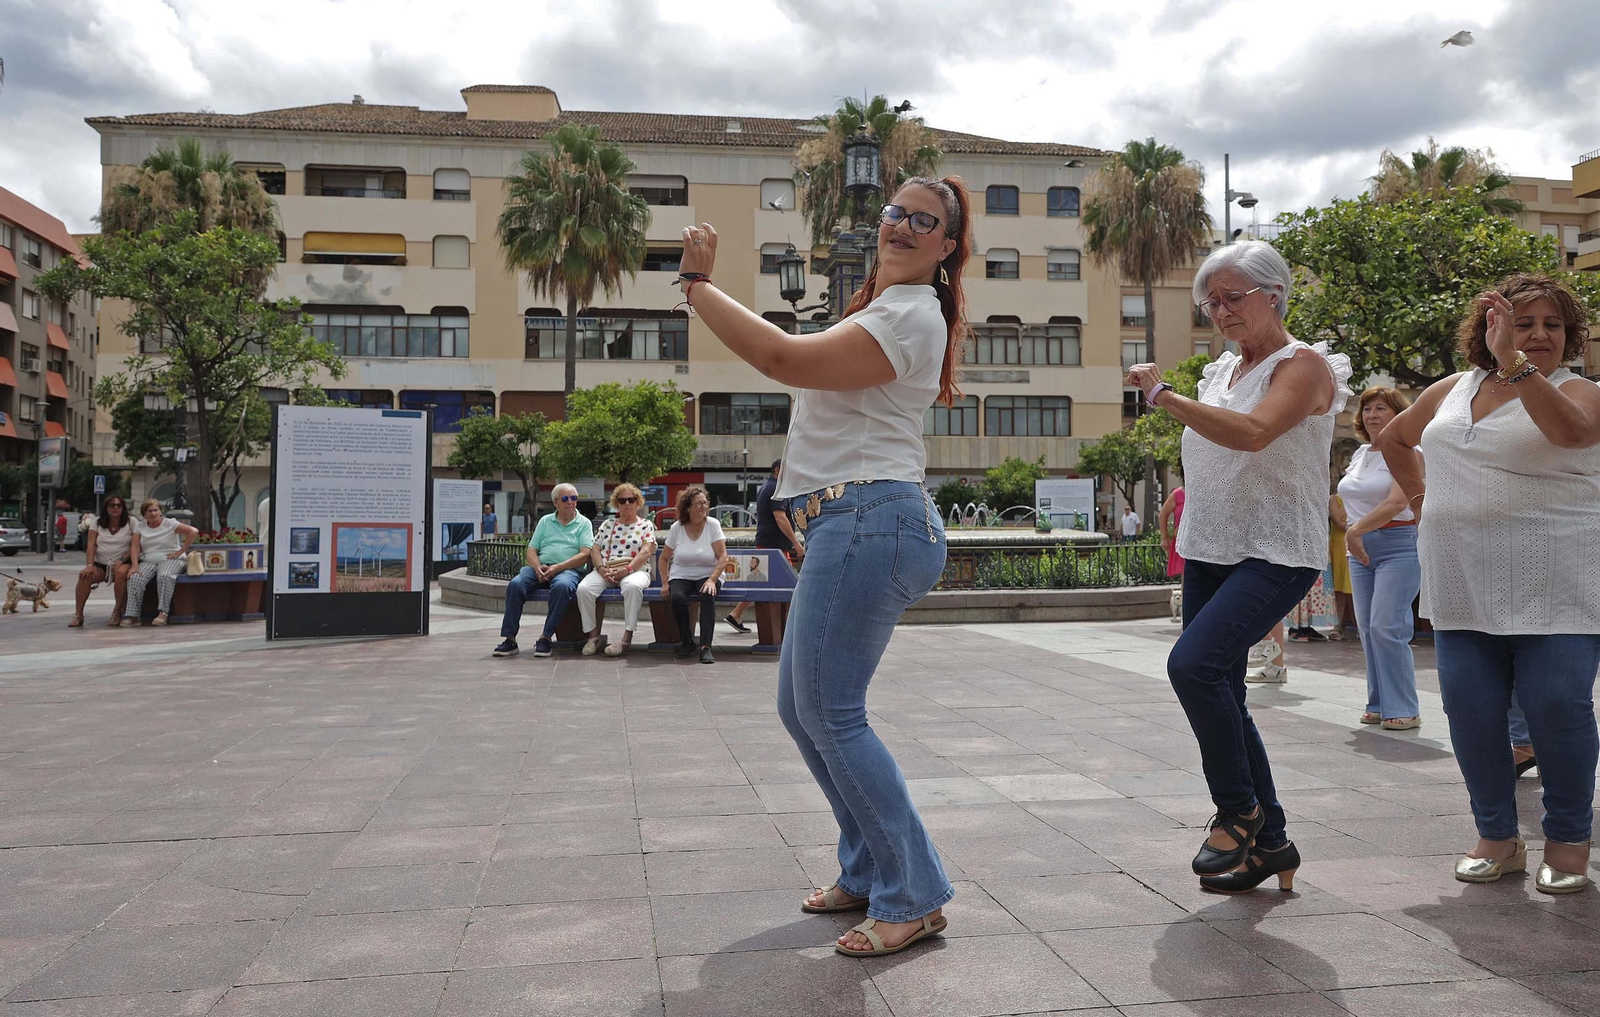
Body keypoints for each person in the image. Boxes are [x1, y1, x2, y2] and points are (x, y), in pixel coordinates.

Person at [1128, 239, 1351, 895]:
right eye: (1210, 302)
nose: (1220, 311)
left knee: (1193, 666)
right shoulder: (1220, 373)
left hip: (1277, 549)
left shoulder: (1303, 366)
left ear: (1273, 293)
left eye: (1232, 297)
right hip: (1211, 546)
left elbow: (1254, 433)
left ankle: (1237, 809)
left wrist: (1163, 396)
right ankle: (1272, 843)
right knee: (1224, 688)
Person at [1375, 273, 1600, 893]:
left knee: (1557, 707)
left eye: (1553, 325)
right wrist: (1422, 500)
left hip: (1557, 581)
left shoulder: (1581, 391)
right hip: (1460, 578)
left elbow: (1571, 434)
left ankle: (1568, 840)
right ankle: (1498, 838)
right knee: (1471, 711)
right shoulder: (1451, 389)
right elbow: (1395, 438)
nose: (1540, 335)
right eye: (1524, 322)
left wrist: (1517, 366)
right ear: (1490, 325)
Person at [1341, 387, 1421, 730]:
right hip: (1359, 548)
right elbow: (1348, 496)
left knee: (1387, 626)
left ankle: (1404, 707)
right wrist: (1353, 530)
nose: (1373, 414)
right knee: (1368, 629)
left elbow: (1397, 502)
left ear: (1398, 414)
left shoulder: (1409, 451)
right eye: (1368, 408)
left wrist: (1354, 529)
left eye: (1382, 408)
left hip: (1398, 543)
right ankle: (1378, 702)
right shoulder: (1360, 454)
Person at [493, 482, 593, 659]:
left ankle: (545, 637)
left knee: (562, 587)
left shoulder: (584, 523)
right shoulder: (545, 521)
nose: (570, 502)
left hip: (567, 570)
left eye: (573, 498)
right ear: (555, 502)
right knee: (515, 585)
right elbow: (531, 549)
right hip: (542, 567)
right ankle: (510, 639)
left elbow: (585, 555)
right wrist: (538, 567)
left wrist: (558, 567)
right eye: (565, 498)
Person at [575, 483, 656, 657]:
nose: (627, 503)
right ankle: (593, 637)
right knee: (584, 589)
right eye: (622, 500)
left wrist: (627, 570)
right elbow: (595, 549)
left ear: (638, 502)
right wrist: (601, 568)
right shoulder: (607, 524)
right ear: (616, 503)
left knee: (633, 587)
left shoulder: (646, 524)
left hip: (635, 570)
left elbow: (646, 551)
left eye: (631, 500)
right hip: (607, 570)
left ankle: (626, 638)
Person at [726, 459, 803, 633]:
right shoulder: (777, 489)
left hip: (768, 544)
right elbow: (780, 517)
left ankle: (736, 614)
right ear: (777, 469)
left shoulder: (766, 487)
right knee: (791, 584)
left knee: (759, 583)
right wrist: (796, 543)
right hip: (775, 548)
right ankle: (793, 627)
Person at [657, 486, 728, 664]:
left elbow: (723, 557)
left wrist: (712, 580)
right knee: (678, 598)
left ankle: (706, 647)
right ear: (688, 507)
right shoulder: (677, 528)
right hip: (681, 574)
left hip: (708, 573)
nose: (704, 506)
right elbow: (664, 558)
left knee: (706, 594)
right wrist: (665, 583)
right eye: (699, 503)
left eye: (706, 502)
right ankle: (687, 641)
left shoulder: (713, 525)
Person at [122, 499, 199, 626]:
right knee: (135, 578)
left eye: (155, 510)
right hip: (149, 559)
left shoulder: (170, 523)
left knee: (164, 576)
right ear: (144, 514)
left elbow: (193, 531)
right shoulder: (140, 526)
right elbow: (135, 546)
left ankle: (163, 613)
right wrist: (134, 566)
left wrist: (181, 551)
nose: (153, 513)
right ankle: (133, 615)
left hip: (169, 558)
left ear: (160, 512)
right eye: (149, 511)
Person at [70, 496, 133, 628]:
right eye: (112, 505)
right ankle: (78, 614)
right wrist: (89, 565)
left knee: (121, 573)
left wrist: (121, 560)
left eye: (118, 505)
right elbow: (91, 545)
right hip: (101, 563)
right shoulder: (96, 522)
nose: (115, 508)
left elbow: (136, 545)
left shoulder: (131, 522)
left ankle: (117, 611)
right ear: (106, 507)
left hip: (123, 561)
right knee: (84, 576)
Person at [1327, 493, 1355, 639]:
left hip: (1355, 544)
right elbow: (1341, 521)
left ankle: (1359, 626)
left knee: (1354, 589)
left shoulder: (1359, 497)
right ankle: (1336, 626)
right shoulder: (1334, 499)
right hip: (1338, 548)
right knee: (1338, 589)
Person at [1159, 483, 1185, 579]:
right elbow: (1162, 514)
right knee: (1186, 575)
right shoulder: (1177, 494)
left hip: (1200, 540)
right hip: (1182, 541)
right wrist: (1164, 538)